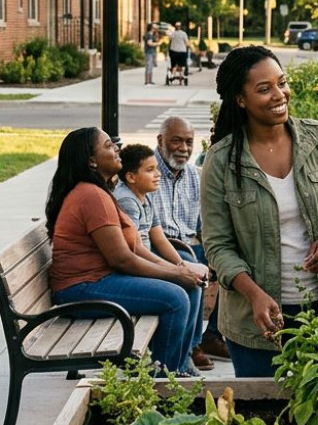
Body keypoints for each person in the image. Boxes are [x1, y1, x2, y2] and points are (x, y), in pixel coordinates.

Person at [201, 46, 318, 377]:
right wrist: (255, 295)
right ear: (240, 100)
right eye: (264, 88)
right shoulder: (221, 161)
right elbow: (217, 246)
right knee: (263, 420)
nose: (279, 94)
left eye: (281, 83)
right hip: (257, 322)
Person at [46, 128, 207, 373]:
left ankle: (179, 365)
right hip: (81, 289)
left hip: (97, 280)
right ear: (91, 160)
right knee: (175, 300)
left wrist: (180, 269)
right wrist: (175, 275)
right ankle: (164, 382)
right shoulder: (92, 196)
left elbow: (135, 247)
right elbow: (122, 259)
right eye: (109, 146)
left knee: (189, 287)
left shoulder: (100, 192)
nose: (116, 149)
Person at [114, 143, 212, 371]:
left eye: (157, 168)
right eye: (150, 170)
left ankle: (182, 357)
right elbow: (135, 249)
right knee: (183, 289)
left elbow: (158, 239)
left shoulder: (145, 197)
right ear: (131, 177)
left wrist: (183, 264)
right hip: (136, 268)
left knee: (194, 283)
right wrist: (176, 272)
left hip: (147, 261)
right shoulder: (127, 200)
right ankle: (168, 367)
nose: (158, 174)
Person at [151, 116, 227, 362]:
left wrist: (219, 254)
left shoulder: (194, 176)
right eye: (176, 141)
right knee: (188, 262)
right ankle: (190, 347)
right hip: (159, 249)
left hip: (191, 246)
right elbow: (149, 232)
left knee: (235, 262)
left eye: (189, 142)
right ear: (161, 140)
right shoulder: (147, 171)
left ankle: (211, 336)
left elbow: (204, 226)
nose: (183, 148)